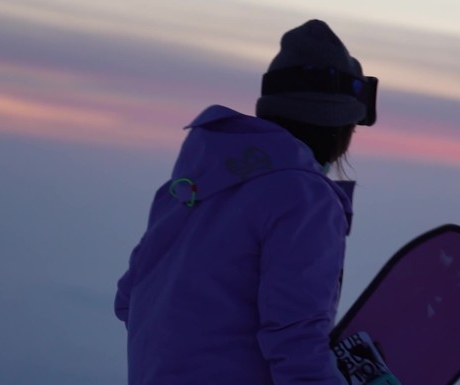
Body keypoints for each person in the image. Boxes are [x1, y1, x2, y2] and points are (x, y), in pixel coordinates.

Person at [114, 19, 378, 385]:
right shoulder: (304, 199)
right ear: (340, 124)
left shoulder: (187, 188)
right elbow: (295, 341)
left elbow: (129, 299)